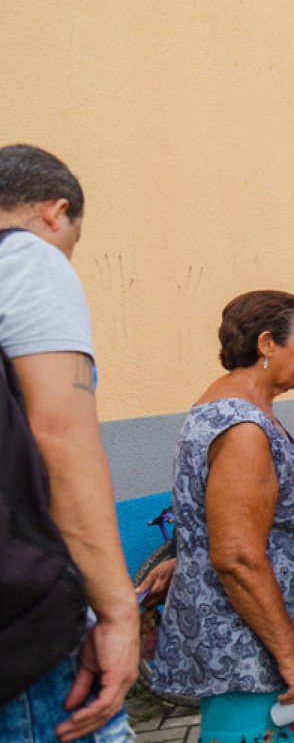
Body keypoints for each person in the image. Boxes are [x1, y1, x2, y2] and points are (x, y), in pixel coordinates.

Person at [149, 291, 294, 743]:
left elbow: (224, 522)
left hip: (265, 643)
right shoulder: (244, 428)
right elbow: (237, 555)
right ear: (267, 343)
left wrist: (185, 557)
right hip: (256, 659)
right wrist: (291, 658)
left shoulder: (226, 410)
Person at [0, 144, 139, 742]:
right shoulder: (25, 256)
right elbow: (60, 433)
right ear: (56, 212)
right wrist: (116, 612)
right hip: (24, 643)